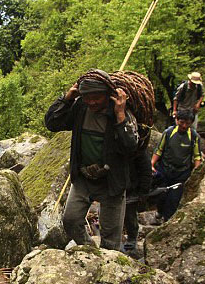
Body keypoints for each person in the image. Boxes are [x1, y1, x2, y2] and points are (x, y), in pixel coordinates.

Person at [45, 69, 140, 250]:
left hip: (112, 183)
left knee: (111, 238)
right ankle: (90, 250)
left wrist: (120, 116)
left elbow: (131, 146)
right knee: (70, 221)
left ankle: (108, 267)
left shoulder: (120, 112)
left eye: (97, 97)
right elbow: (52, 123)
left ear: (107, 94)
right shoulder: (80, 107)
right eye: (87, 97)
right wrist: (67, 99)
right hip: (83, 178)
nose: (92, 102)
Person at [151, 108, 202, 221]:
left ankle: (166, 221)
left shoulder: (194, 136)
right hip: (165, 169)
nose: (184, 125)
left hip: (182, 173)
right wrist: (152, 164)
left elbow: (197, 155)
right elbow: (159, 150)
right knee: (161, 195)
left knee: (173, 199)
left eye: (187, 123)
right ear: (177, 120)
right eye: (182, 122)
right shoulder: (168, 133)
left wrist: (196, 172)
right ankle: (159, 213)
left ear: (191, 123)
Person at [122, 128, 153, 257]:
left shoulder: (139, 151)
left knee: (130, 215)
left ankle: (132, 237)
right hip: (117, 187)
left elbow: (146, 171)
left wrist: (143, 192)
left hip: (132, 189)